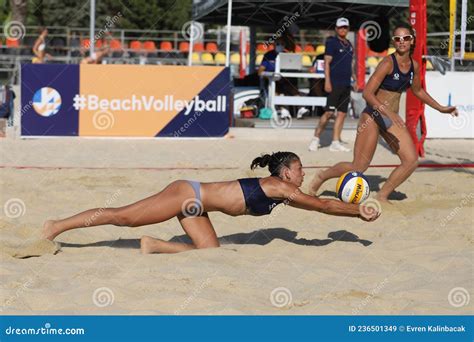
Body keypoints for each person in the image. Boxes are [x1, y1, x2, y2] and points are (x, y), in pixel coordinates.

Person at [42, 152, 380, 254]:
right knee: (122, 217)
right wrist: (357, 211)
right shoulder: (279, 186)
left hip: (197, 205)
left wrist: (350, 210)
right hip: (186, 194)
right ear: (286, 172)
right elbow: (321, 206)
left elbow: (316, 203)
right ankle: (56, 226)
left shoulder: (281, 192)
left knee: (211, 253)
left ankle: (154, 245)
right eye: (300, 170)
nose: (303, 175)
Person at [308, 25, 458, 202]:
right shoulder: (387, 63)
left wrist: (441, 108)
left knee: (411, 161)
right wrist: (390, 113)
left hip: (390, 119)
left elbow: (418, 91)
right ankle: (322, 176)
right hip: (372, 116)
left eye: (406, 38)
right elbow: (367, 94)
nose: (401, 41)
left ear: (412, 40)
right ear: (393, 42)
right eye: (397, 39)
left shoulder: (414, 66)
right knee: (359, 166)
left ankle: (382, 196)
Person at [308, 17, 358, 152]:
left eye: (345, 27)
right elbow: (327, 63)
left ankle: (335, 142)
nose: (343, 29)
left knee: (342, 114)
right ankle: (316, 138)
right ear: (336, 29)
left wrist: (354, 79)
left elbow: (351, 64)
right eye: (341, 27)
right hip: (334, 83)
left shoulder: (349, 44)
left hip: (346, 83)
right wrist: (327, 81)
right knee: (329, 112)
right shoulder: (331, 43)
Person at [258, 34, 310, 119]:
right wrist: (269, 76)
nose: (280, 46)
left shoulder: (287, 55)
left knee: (292, 88)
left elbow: (293, 68)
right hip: (271, 80)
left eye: (282, 44)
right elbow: (260, 71)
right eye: (278, 43)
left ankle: (301, 108)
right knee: (276, 89)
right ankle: (283, 110)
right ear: (274, 44)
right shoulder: (268, 55)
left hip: (285, 80)